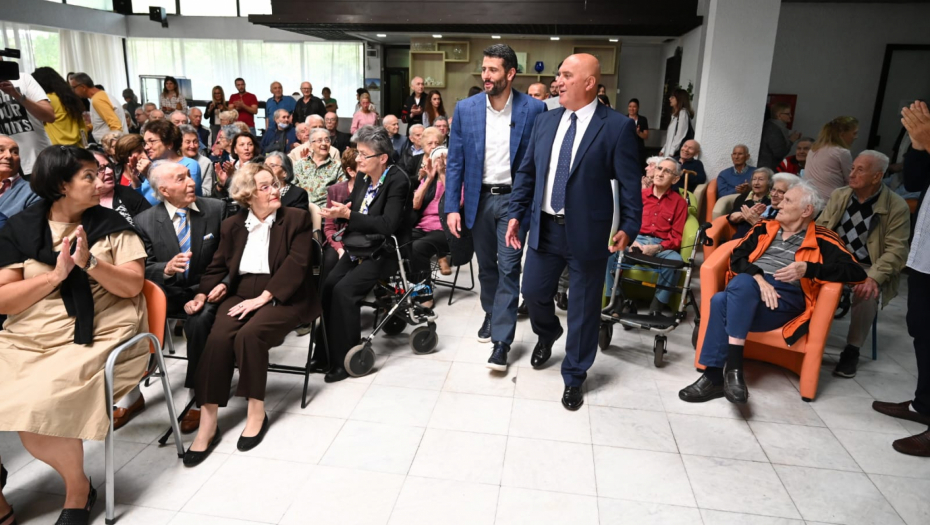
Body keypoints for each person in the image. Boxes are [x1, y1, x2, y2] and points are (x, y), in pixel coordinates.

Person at [0, 145, 150, 525]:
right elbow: (3, 298)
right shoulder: (20, 228)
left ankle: (78, 489)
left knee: (38, 402)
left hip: (101, 328)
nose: (100, 181)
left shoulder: (112, 225)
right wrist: (55, 276)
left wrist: (90, 263)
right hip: (29, 332)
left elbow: (133, 287)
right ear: (61, 185)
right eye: (89, 176)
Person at [506, 53, 641, 410]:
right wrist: (516, 213)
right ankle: (548, 332)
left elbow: (630, 184)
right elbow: (527, 172)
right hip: (545, 228)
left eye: (566, 75)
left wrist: (629, 226)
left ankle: (575, 375)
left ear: (590, 83)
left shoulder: (616, 127)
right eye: (559, 75)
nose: (558, 82)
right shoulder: (545, 121)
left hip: (589, 233)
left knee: (583, 308)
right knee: (533, 292)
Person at [679, 181, 867, 405]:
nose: (778, 203)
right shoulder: (764, 227)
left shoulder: (823, 238)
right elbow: (737, 257)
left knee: (722, 300)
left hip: (781, 301)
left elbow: (856, 272)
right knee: (737, 287)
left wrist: (809, 269)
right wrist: (759, 279)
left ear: (806, 210)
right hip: (746, 292)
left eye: (787, 200)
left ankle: (715, 377)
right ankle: (731, 372)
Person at [182, 162, 316, 465]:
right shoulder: (232, 225)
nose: (275, 190)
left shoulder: (296, 219)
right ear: (248, 195)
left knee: (250, 335)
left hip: (286, 296)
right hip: (241, 293)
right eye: (265, 186)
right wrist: (202, 294)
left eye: (275, 184)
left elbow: (297, 266)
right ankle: (208, 422)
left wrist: (264, 298)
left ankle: (256, 411)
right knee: (217, 338)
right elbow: (217, 266)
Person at [445, 44, 546, 365]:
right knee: (486, 266)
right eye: (484, 69)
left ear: (510, 73)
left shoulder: (534, 109)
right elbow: (455, 162)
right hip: (479, 200)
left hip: (515, 202)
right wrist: (451, 206)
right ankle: (491, 312)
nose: (485, 75)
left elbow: (537, 163)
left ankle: (502, 341)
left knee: (509, 267)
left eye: (492, 70)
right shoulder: (466, 109)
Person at [131, 161, 226, 434]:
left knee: (199, 321)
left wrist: (218, 286)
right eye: (181, 178)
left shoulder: (216, 209)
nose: (191, 182)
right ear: (164, 190)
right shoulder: (145, 221)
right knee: (128, 316)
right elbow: (144, 267)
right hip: (169, 292)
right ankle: (130, 393)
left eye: (189, 176)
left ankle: (197, 395)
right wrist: (166, 268)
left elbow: (229, 256)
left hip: (208, 288)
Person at [317, 126, 410, 382]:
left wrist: (349, 215)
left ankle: (345, 359)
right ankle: (324, 352)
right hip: (359, 244)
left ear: (382, 158)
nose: (358, 159)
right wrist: (342, 212)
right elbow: (357, 209)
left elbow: (387, 225)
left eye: (363, 154)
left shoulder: (398, 180)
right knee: (328, 286)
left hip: (386, 250)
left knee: (344, 292)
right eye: (357, 153)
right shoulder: (363, 176)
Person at [816, 150, 910, 378]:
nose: (852, 174)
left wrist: (873, 277)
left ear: (877, 176)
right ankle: (806, 336)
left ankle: (852, 350)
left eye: (860, 170)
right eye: (852, 168)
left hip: (867, 266)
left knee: (867, 292)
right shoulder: (840, 195)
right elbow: (820, 228)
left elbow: (897, 250)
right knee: (801, 275)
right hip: (835, 260)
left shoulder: (896, 206)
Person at [872, 100, 930, 456]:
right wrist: (920, 146)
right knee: (921, 327)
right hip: (925, 252)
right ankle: (924, 405)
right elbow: (915, 181)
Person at [605, 157, 686, 317]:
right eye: (659, 169)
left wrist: (658, 247)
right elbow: (623, 222)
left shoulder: (680, 203)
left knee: (675, 262)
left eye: (667, 171)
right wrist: (631, 240)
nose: (660, 174)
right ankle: (616, 301)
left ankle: (656, 307)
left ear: (675, 179)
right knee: (610, 254)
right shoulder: (638, 196)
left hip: (661, 246)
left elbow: (676, 236)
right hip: (635, 241)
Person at [410, 128, 451, 307]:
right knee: (401, 242)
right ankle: (412, 288)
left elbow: (457, 202)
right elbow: (415, 204)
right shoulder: (425, 171)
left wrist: (442, 174)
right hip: (422, 225)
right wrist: (428, 179)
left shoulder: (455, 171)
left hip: (445, 227)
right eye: (430, 143)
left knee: (418, 247)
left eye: (438, 143)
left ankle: (425, 296)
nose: (434, 147)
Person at [0, 66, 53, 176]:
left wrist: (16, 95)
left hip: (39, 162)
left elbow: (49, 116)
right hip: (6, 168)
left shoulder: (23, 79)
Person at [319, 148, 358, 283]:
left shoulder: (372, 190)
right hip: (339, 240)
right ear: (351, 171)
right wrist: (340, 249)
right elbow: (329, 227)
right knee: (330, 260)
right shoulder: (335, 190)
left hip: (360, 242)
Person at [143, 120, 204, 203]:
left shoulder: (188, 165)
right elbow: (141, 199)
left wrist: (148, 176)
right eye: (146, 143)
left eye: (152, 141)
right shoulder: (152, 165)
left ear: (169, 143)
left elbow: (178, 200)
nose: (146, 147)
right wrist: (135, 180)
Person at [88, 146, 150, 227]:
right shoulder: (84, 207)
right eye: (101, 168)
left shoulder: (127, 193)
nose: (109, 171)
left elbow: (151, 223)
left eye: (109, 166)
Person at [805, 116, 858, 201]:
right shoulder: (842, 152)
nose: (856, 137)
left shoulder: (813, 150)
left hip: (808, 199)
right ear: (842, 134)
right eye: (854, 133)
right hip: (830, 203)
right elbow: (850, 181)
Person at [32, 67, 84, 146]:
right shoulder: (70, 97)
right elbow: (82, 126)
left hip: (57, 148)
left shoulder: (46, 100)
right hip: (77, 146)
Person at [70, 73, 128, 143]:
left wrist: (112, 145)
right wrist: (89, 127)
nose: (72, 91)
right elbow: (103, 121)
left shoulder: (97, 100)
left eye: (73, 88)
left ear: (83, 87)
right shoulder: (100, 95)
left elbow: (115, 125)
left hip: (112, 144)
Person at [0, 135, 41, 230]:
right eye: (1, 150)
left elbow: (28, 231)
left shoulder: (33, 192)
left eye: (15, 152)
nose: (8, 156)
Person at [294, 127, 342, 207]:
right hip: (300, 208)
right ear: (311, 145)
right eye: (319, 141)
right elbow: (291, 187)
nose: (324, 143)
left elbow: (341, 192)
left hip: (324, 210)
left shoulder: (337, 166)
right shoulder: (300, 164)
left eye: (327, 140)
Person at [727, 167, 773, 239]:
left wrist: (746, 215)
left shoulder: (773, 199)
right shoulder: (743, 197)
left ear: (769, 182)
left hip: (762, 238)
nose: (756, 183)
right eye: (754, 179)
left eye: (761, 179)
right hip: (740, 238)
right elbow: (732, 218)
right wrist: (750, 214)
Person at [214, 131, 261, 198]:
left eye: (250, 144)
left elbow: (248, 193)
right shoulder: (230, 166)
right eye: (242, 145)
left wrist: (233, 175)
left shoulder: (258, 165)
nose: (246, 148)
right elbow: (216, 197)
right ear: (235, 150)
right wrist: (221, 184)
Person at [758, 102, 802, 170]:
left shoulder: (774, 126)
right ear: (779, 115)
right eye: (788, 114)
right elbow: (779, 153)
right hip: (768, 168)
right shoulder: (773, 128)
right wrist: (791, 140)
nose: (790, 116)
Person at [180, 124, 217, 197]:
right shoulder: (172, 160)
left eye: (195, 142)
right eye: (188, 142)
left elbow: (208, 191)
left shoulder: (205, 162)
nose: (192, 146)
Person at [660, 88, 693, 158]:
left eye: (672, 97)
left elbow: (680, 135)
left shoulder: (683, 113)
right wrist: (664, 149)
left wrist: (672, 151)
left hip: (675, 153)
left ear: (679, 99)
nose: (670, 99)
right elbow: (671, 137)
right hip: (671, 152)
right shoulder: (676, 115)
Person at [627, 98, 649, 167]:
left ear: (638, 108)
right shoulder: (623, 118)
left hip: (639, 150)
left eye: (634, 107)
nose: (632, 109)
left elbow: (646, 136)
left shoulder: (643, 120)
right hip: (626, 149)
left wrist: (638, 132)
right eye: (630, 106)